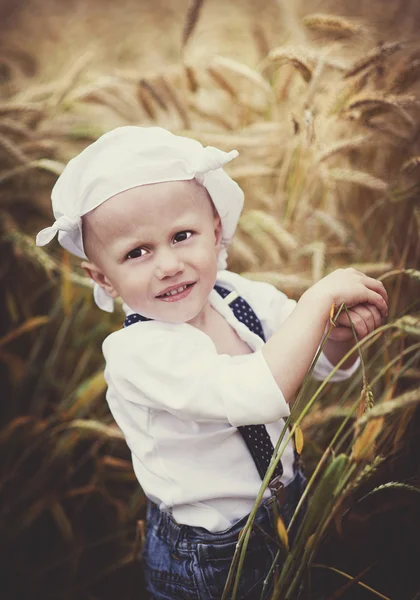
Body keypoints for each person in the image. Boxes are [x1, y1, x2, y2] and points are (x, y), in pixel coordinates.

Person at [36, 126, 388, 600]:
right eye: (137, 252)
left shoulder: (237, 295)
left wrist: (336, 335)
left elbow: (318, 361)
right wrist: (318, 298)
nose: (168, 264)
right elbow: (261, 392)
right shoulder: (138, 354)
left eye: (182, 236)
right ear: (104, 278)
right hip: (212, 554)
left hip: (287, 499)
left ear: (216, 230)